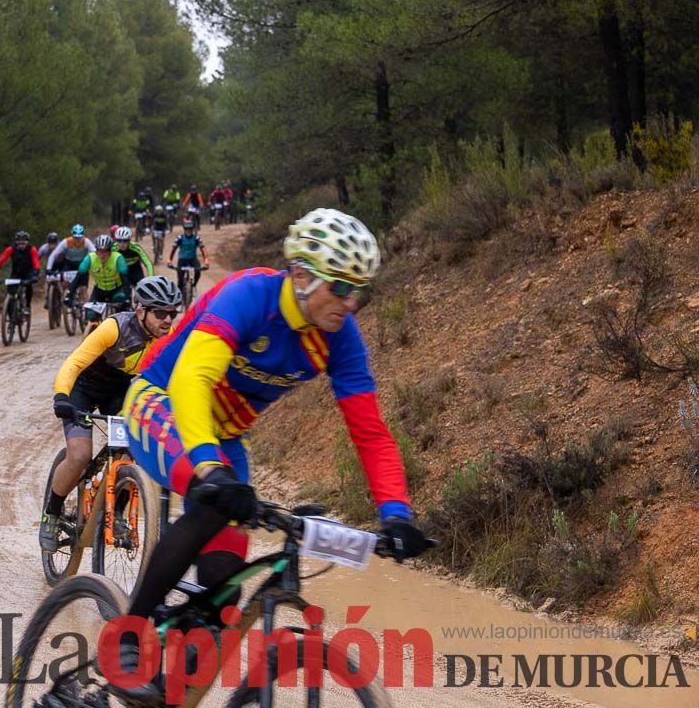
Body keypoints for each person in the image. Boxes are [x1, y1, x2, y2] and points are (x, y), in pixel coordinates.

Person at [110, 210, 429, 703]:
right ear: (301, 274)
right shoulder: (250, 296)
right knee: (215, 502)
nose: (351, 301)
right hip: (162, 402)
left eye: (358, 289)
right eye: (341, 286)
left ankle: (170, 684)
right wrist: (209, 467)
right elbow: (191, 380)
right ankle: (128, 634)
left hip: (224, 436)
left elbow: (370, 431)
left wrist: (396, 515)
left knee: (223, 585)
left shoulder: (339, 335)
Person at [40, 276, 183, 551]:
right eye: (161, 313)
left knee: (133, 450)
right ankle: (52, 514)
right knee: (80, 454)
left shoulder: (167, 339)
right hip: (83, 388)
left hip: (118, 391)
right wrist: (61, 396)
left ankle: (116, 513)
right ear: (140, 311)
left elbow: (174, 380)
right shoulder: (114, 327)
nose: (168, 319)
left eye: (172, 313)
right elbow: (75, 362)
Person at [65, 234, 131, 326]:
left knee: (122, 310)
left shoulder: (118, 258)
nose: (102, 254)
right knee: (91, 315)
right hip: (99, 291)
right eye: (100, 251)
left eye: (105, 251)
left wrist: (127, 298)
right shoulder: (90, 258)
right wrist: (69, 295)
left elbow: (125, 280)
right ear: (96, 251)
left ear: (110, 251)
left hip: (116, 290)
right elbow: (78, 277)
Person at [0, 230, 41, 314]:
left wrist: (36, 274)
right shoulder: (11, 249)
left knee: (28, 286)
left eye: (23, 243)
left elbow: (36, 262)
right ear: (16, 243)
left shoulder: (32, 249)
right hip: (16, 273)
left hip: (28, 272)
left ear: (27, 242)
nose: (21, 245)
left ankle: (27, 306)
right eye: (19, 243)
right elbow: (1, 259)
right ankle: (10, 311)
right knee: (10, 291)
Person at [167, 219, 210, 295]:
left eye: (190, 229)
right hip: (182, 260)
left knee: (198, 271)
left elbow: (203, 249)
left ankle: (193, 286)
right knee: (180, 280)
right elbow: (173, 249)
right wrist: (169, 260)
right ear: (184, 229)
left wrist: (206, 260)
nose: (188, 230)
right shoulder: (179, 238)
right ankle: (179, 297)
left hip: (192, 259)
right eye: (186, 229)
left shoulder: (197, 238)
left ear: (192, 229)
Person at [38, 232, 60, 309]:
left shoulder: (62, 247)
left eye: (54, 243)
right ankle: (47, 298)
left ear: (57, 242)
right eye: (50, 243)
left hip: (61, 265)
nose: (52, 246)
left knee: (62, 280)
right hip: (50, 266)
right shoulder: (44, 248)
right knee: (47, 281)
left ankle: (62, 296)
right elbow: (37, 258)